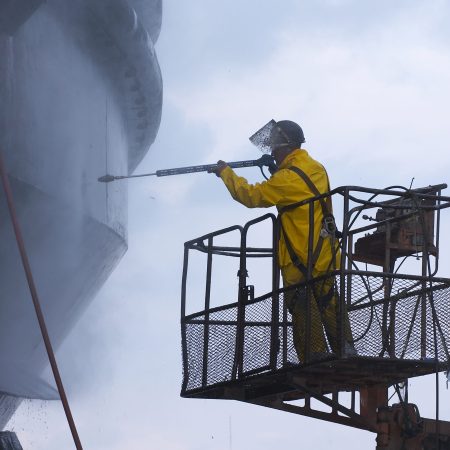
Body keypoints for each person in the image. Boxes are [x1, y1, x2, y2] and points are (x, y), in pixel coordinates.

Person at [210, 119, 354, 362]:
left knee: (302, 304)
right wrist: (277, 171)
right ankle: (347, 350)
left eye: (274, 148)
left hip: (299, 255)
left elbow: (252, 196)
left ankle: (315, 355)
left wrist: (226, 174)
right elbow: (296, 187)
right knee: (330, 302)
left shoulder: (286, 178)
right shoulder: (316, 168)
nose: (272, 153)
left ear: (285, 146)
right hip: (326, 251)